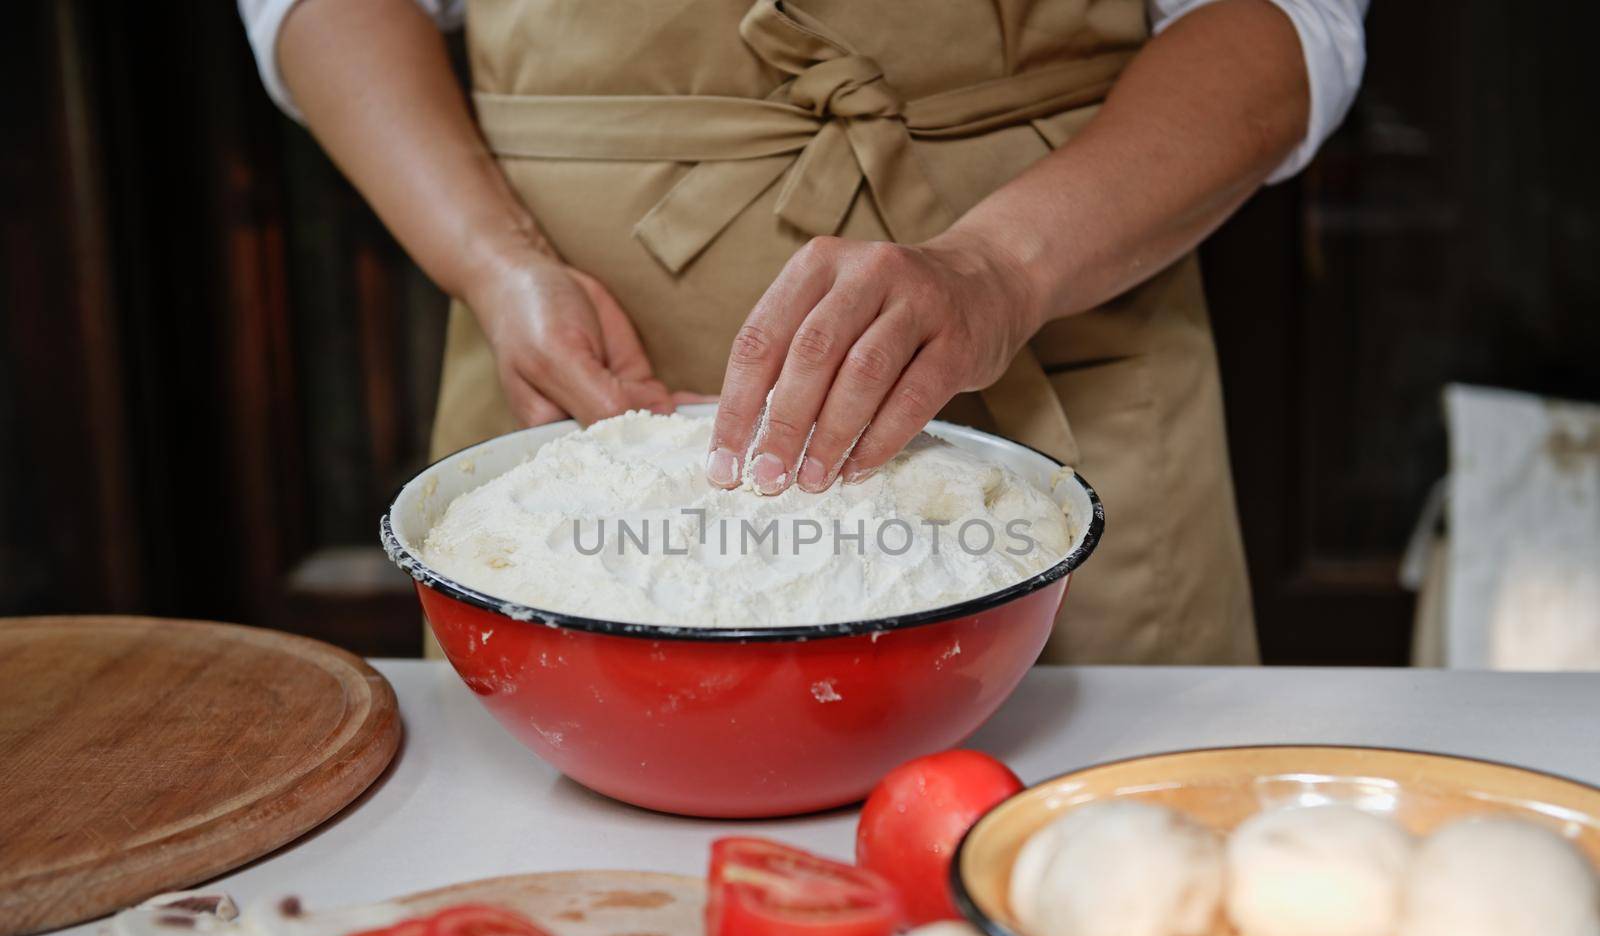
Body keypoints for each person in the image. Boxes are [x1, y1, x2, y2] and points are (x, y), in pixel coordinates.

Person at [241, 0, 1366, 663]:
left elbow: (1278, 18)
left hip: (1064, 331)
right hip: (568, 399)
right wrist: (493, 262)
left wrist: (999, 269)